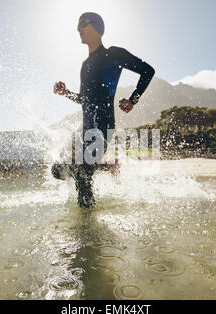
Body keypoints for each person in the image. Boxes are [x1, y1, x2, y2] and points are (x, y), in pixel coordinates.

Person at [53, 12, 155, 209]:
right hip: (84, 128)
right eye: (77, 25)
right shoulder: (85, 65)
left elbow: (148, 71)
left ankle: (88, 229)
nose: (78, 29)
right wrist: (66, 93)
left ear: (97, 27)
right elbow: (84, 99)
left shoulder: (113, 54)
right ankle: (107, 166)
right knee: (57, 170)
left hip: (102, 126)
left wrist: (133, 98)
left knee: (82, 171)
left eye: (83, 23)